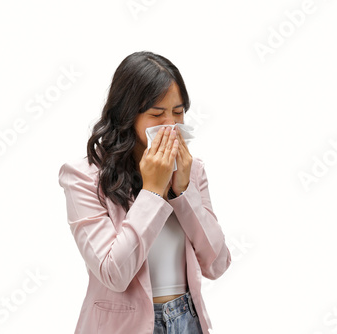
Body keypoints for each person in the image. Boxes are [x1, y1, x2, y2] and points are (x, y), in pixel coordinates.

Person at [58, 51, 231, 334]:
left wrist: (183, 192)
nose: (171, 125)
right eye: (157, 114)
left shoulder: (192, 170)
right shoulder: (83, 177)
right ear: (127, 114)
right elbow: (114, 274)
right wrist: (152, 190)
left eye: (178, 112)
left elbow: (218, 264)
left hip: (186, 321)